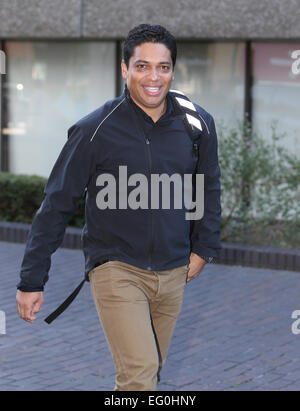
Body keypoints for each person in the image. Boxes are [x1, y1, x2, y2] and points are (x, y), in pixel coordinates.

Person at [16, 24, 221, 391]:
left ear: (173, 70)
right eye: (142, 66)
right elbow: (57, 204)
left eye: (163, 66)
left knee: (145, 375)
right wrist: (32, 279)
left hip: (175, 271)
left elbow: (208, 186)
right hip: (117, 268)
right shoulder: (94, 129)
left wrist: (204, 248)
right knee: (140, 375)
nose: (153, 77)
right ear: (124, 69)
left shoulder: (197, 123)